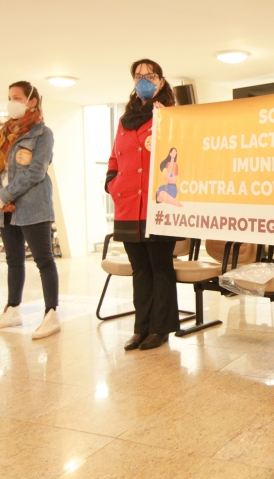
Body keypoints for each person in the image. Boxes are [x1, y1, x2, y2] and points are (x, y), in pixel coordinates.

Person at [106, 59, 181, 351]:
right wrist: (112, 183)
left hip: (157, 204)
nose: (143, 80)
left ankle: (159, 329)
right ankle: (141, 328)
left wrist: (169, 124)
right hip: (127, 205)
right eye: (138, 76)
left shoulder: (170, 114)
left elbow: (182, 149)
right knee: (140, 269)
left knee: (160, 267)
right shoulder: (125, 119)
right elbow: (115, 157)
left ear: (160, 81)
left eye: (149, 75)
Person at [0, 81, 61, 340]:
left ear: (32, 101)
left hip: (33, 206)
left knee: (44, 260)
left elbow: (36, 171)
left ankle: (51, 314)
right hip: (5, 208)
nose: (11, 102)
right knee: (13, 262)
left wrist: (6, 195)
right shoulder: (3, 132)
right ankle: (12, 309)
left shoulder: (43, 133)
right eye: (9, 97)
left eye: (17, 97)